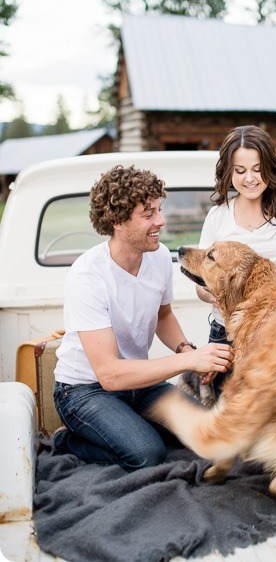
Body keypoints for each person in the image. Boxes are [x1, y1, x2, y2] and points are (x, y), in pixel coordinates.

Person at [53, 164, 233, 471]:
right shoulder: (87, 276)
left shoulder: (160, 257)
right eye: (148, 214)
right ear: (117, 221)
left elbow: (163, 316)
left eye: (159, 210)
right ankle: (66, 440)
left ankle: (127, 423)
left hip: (140, 384)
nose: (161, 221)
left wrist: (185, 349)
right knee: (147, 453)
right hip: (85, 390)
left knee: (212, 435)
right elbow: (109, 374)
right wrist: (190, 361)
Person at [196, 125, 276, 397]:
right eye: (240, 171)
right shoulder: (217, 217)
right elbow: (201, 285)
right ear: (229, 172)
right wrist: (218, 294)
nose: (250, 178)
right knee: (230, 418)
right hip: (226, 335)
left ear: (270, 167)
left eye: (257, 168)